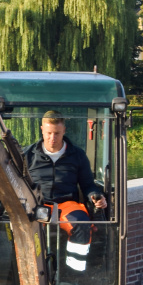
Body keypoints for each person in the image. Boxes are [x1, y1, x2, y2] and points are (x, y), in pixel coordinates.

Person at [23, 111, 106, 271]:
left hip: (67, 205)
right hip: (38, 205)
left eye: (57, 133)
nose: (52, 138)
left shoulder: (77, 155)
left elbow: (88, 185)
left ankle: (75, 272)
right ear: (42, 129)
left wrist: (96, 196)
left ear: (64, 131)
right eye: (49, 133)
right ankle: (31, 272)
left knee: (82, 224)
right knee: (25, 226)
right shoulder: (28, 155)